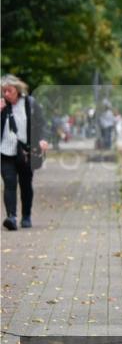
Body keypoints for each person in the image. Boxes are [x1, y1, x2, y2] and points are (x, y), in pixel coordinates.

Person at [1, 75, 49, 230]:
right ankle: (12, 217)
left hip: (26, 152)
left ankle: (26, 216)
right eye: (3, 91)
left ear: (17, 89)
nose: (6, 94)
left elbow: (41, 123)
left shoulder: (30, 103)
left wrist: (42, 139)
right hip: (5, 152)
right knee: (9, 184)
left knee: (26, 185)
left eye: (9, 90)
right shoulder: (2, 105)